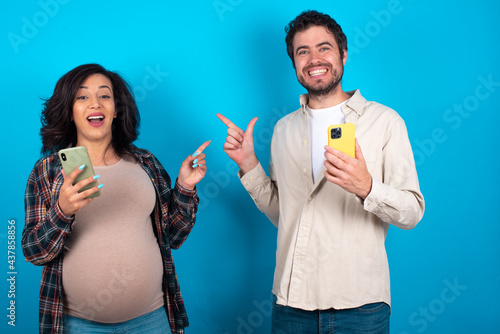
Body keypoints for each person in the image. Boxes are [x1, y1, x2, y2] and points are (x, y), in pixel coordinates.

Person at [217, 10, 425, 333]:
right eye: (303, 51)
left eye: (324, 47)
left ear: (343, 54)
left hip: (360, 307)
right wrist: (249, 164)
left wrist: (368, 187)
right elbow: (285, 215)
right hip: (290, 306)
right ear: (295, 64)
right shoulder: (283, 130)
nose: (314, 59)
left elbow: (412, 212)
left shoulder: (384, 122)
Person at [22, 63, 209, 334]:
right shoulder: (48, 171)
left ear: (116, 109)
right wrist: (62, 211)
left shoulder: (146, 163)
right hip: (78, 325)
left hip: (151, 319)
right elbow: (33, 252)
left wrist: (185, 186)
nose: (95, 104)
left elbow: (174, 236)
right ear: (70, 110)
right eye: (82, 96)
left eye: (104, 95)